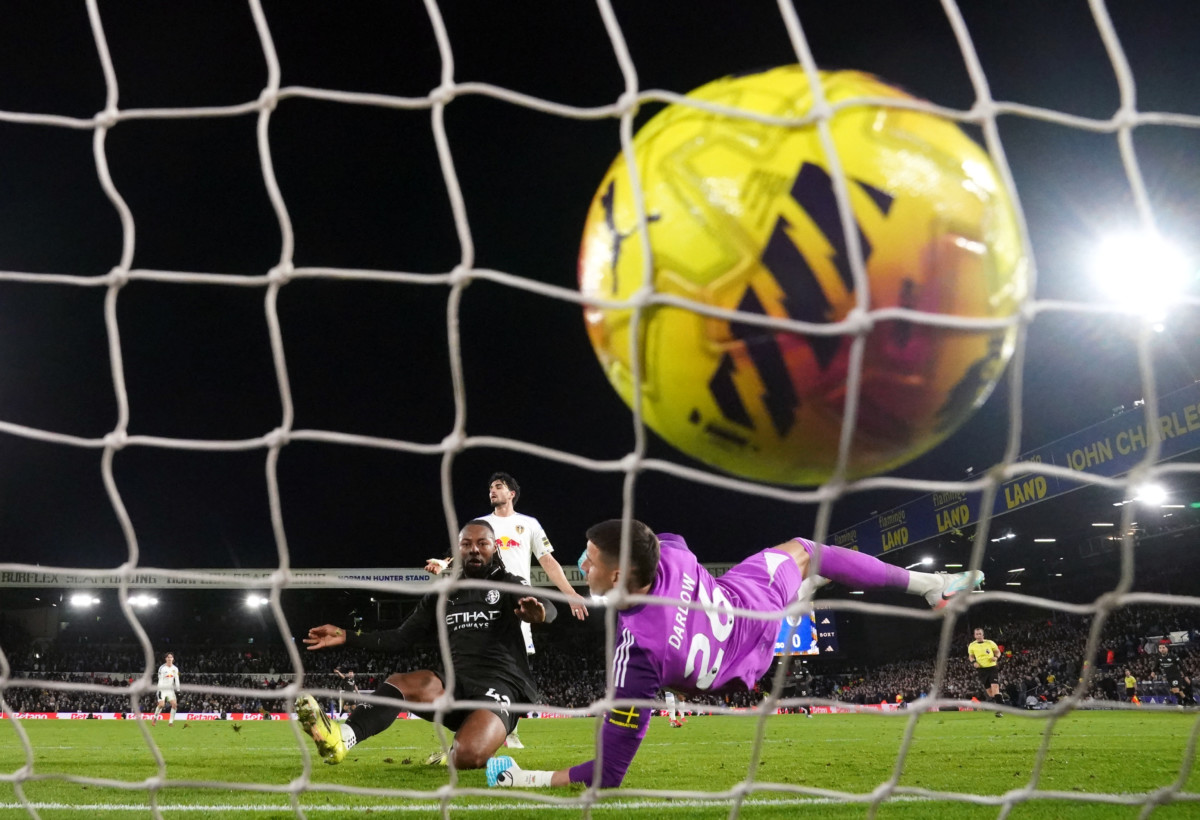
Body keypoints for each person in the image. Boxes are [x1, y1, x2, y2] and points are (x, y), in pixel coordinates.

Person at [486, 519, 983, 789]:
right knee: (810, 550)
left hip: (742, 664)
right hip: (749, 599)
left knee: (814, 566)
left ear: (617, 576)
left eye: (589, 561)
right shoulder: (673, 552)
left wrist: (524, 777)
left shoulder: (636, 656)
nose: (581, 565)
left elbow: (608, 775)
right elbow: (649, 556)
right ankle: (932, 587)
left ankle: (809, 598)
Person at [296, 519, 558, 771]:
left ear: (494, 548)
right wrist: (347, 635)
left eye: (482, 543)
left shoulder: (508, 583)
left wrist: (539, 613)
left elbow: (546, 606)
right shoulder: (443, 593)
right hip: (454, 685)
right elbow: (400, 637)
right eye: (466, 544)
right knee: (400, 682)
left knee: (467, 756)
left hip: (499, 685)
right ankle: (341, 738)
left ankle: (461, 749)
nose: (474, 549)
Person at [426, 472, 589, 750]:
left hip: (517, 600)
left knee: (514, 663)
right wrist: (443, 562)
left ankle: (509, 726)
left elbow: (547, 560)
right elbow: (459, 549)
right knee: (478, 659)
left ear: (511, 493)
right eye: (490, 487)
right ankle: (474, 728)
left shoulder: (529, 525)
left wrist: (570, 593)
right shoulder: (481, 524)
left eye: (498, 487)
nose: (492, 491)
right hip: (482, 599)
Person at [967, 627, 1003, 717]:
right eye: (977, 634)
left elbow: (998, 652)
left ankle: (1000, 709)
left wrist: (996, 657)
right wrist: (974, 662)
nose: (978, 635)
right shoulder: (972, 645)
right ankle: (1000, 697)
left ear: (983, 635)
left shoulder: (990, 643)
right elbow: (971, 656)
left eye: (980, 634)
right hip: (981, 670)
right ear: (974, 635)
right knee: (990, 693)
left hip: (992, 667)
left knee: (995, 687)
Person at [153, 652, 180, 726]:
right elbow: (160, 679)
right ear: (166, 659)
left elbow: (177, 679)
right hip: (162, 689)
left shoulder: (175, 669)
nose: (169, 659)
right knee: (161, 705)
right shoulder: (162, 668)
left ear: (173, 659)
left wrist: (178, 689)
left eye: (171, 657)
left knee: (174, 705)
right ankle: (155, 717)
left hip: (170, 690)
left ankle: (170, 722)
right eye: (168, 657)